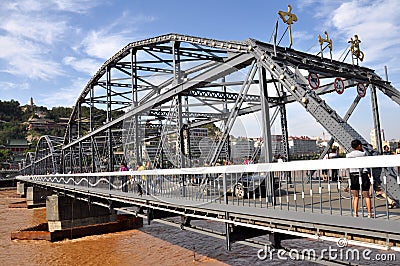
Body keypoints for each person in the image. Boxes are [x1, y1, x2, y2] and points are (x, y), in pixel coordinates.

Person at [346, 139, 372, 217]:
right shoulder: (363, 154)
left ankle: (355, 213)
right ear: (359, 145)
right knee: (366, 195)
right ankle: (369, 213)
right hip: (363, 175)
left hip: (353, 175)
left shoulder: (348, 155)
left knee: (355, 196)